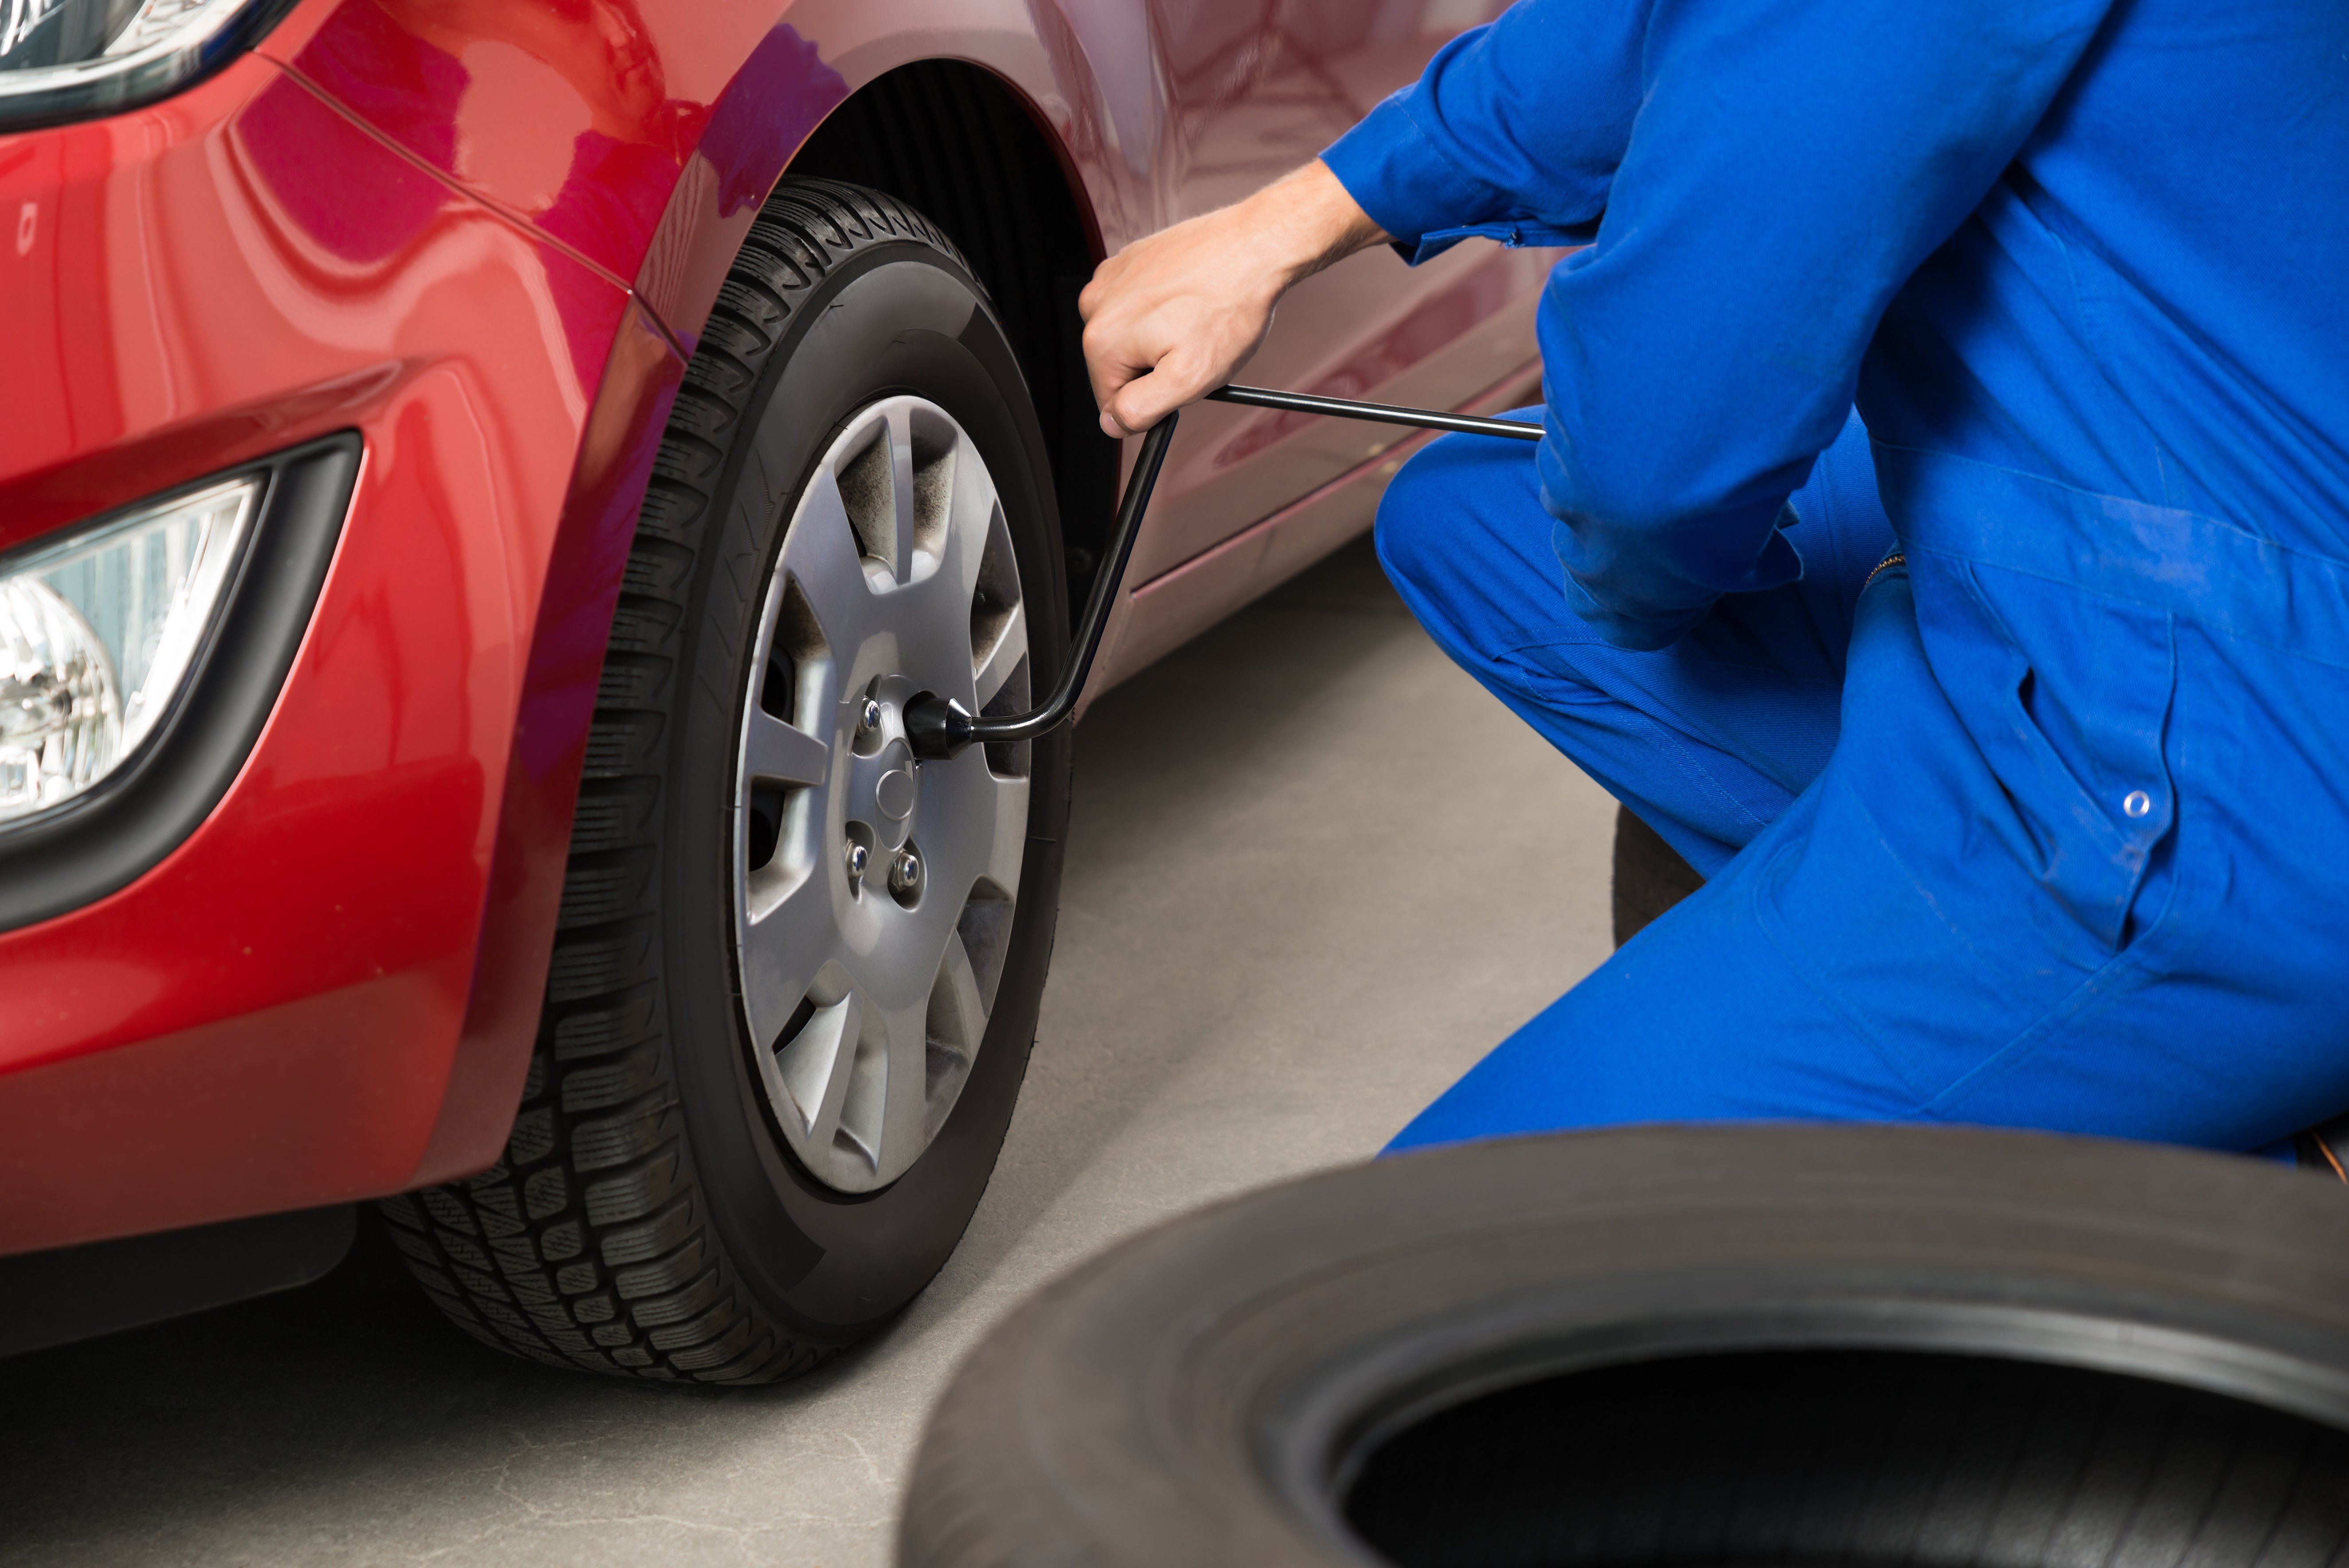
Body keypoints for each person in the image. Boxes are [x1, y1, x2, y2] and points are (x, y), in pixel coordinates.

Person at [1077, 0, 2349, 1163]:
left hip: (2244, 733)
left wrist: (1666, 574)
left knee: (1373, 1301)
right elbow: (1657, 24)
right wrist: (1294, 214)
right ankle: (2052, 1027)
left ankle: (2139, 1042)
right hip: (2209, 492)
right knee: (1469, 523)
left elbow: (1662, 461)